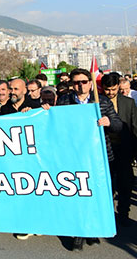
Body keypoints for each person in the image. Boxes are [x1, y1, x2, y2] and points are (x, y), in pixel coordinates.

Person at [55, 68, 123, 251]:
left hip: (99, 156)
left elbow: (118, 125)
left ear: (90, 83)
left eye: (84, 81)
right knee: (79, 194)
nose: (80, 85)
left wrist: (108, 122)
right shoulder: (63, 101)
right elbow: (55, 126)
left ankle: (93, 229)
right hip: (74, 157)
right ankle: (80, 233)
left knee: (98, 194)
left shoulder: (102, 101)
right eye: (76, 82)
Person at [101, 73, 137, 227]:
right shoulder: (97, 102)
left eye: (113, 89)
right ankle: (107, 214)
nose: (110, 92)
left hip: (124, 149)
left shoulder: (128, 103)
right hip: (105, 149)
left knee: (125, 183)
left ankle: (123, 213)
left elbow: (134, 126)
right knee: (107, 184)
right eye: (107, 89)